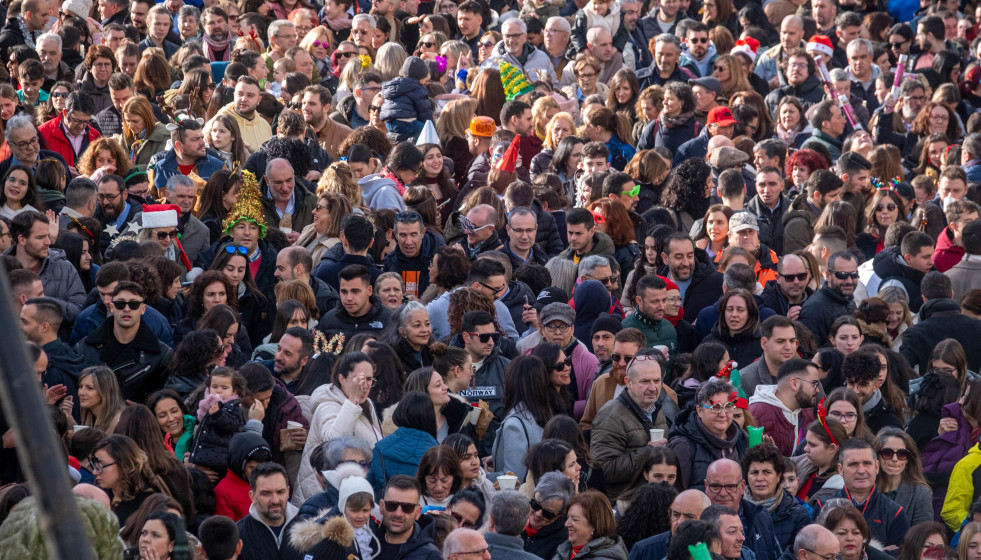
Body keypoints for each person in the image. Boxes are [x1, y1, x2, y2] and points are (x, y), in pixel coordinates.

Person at [591, 349, 671, 500]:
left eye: (657, 381)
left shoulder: (656, 408)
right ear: (628, 382)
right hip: (624, 503)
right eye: (645, 381)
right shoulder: (610, 416)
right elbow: (603, 469)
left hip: (651, 498)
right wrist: (648, 452)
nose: (653, 388)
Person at [75, 281, 173, 402]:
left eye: (134, 304)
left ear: (143, 309)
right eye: (120, 304)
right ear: (111, 307)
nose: (127, 309)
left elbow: (164, 400)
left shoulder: (162, 355)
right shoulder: (85, 348)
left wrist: (142, 412)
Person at [667, 378, 748, 490]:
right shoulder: (683, 446)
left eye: (728, 407)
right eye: (716, 407)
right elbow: (674, 494)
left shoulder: (742, 438)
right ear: (700, 411)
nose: (723, 414)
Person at [900, 272, 981, 373]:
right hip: (972, 387)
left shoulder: (915, 333)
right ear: (952, 294)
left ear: (924, 298)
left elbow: (901, 370)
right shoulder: (977, 327)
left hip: (932, 387)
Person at [740, 443, 810, 550]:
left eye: (767, 472)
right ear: (747, 476)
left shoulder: (798, 515)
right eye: (754, 472)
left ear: (778, 476)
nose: (760, 478)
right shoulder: (736, 510)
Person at [747, 359, 819, 456]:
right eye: (814, 384)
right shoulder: (759, 413)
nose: (818, 390)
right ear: (794, 383)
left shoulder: (806, 411)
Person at [236, 462, 303, 560]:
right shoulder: (236, 535)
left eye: (280, 492)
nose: (275, 500)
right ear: (252, 496)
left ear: (288, 492)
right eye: (266, 493)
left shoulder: (307, 530)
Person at [628, 489, 712, 560]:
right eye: (676, 514)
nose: (680, 522)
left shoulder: (716, 549)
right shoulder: (643, 550)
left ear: (705, 519)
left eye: (689, 517)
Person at [873, 427, 934, 526]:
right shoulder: (865, 488)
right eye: (887, 453)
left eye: (901, 454)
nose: (895, 459)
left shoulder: (920, 494)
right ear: (877, 456)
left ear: (908, 459)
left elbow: (922, 536)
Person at [799, 251, 858, 345]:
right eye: (842, 275)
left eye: (854, 274)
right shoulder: (815, 308)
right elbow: (809, 351)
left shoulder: (850, 301)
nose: (849, 281)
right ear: (828, 276)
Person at [553, 490, 628, 560]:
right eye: (568, 517)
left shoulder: (606, 557)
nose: (566, 524)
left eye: (575, 519)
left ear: (595, 525)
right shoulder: (565, 549)